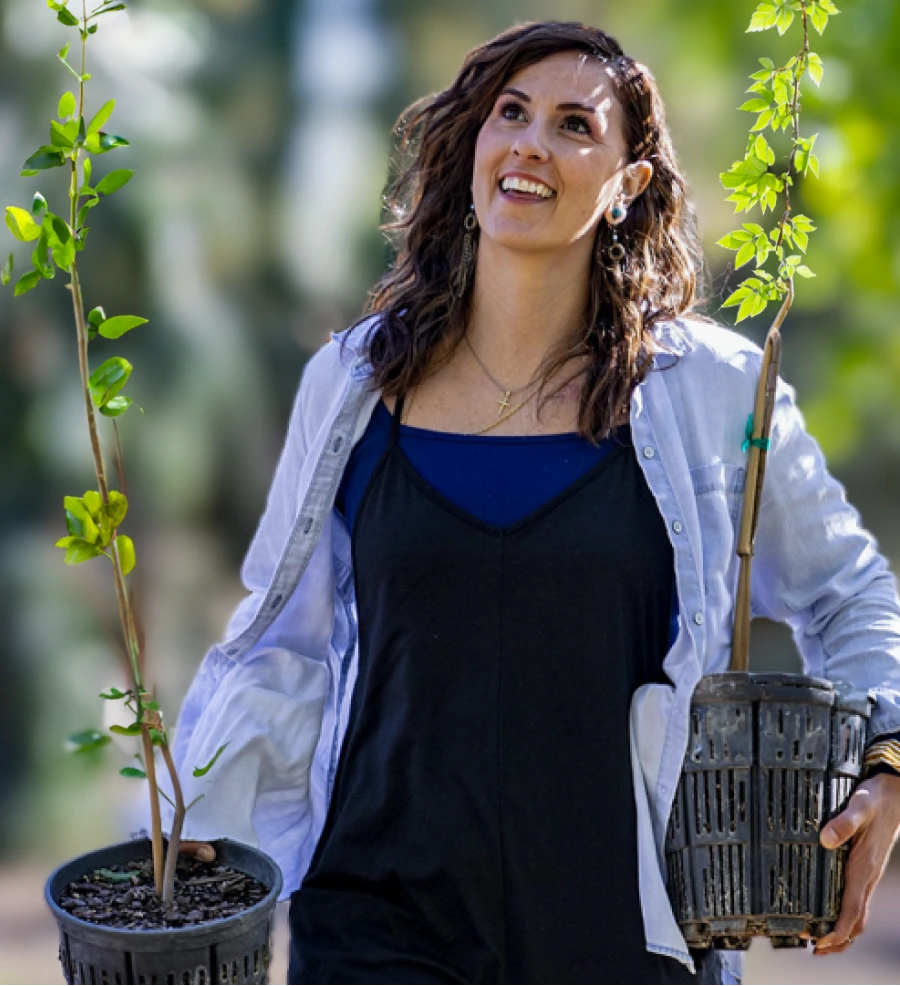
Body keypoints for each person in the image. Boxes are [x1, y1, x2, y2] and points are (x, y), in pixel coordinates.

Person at [163, 20, 900, 986]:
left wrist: (886, 756)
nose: (530, 145)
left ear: (628, 184)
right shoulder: (351, 383)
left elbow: (850, 594)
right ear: (473, 143)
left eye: (572, 126)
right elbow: (278, 639)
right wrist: (194, 818)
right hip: (377, 919)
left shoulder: (715, 392)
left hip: (628, 929)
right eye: (510, 114)